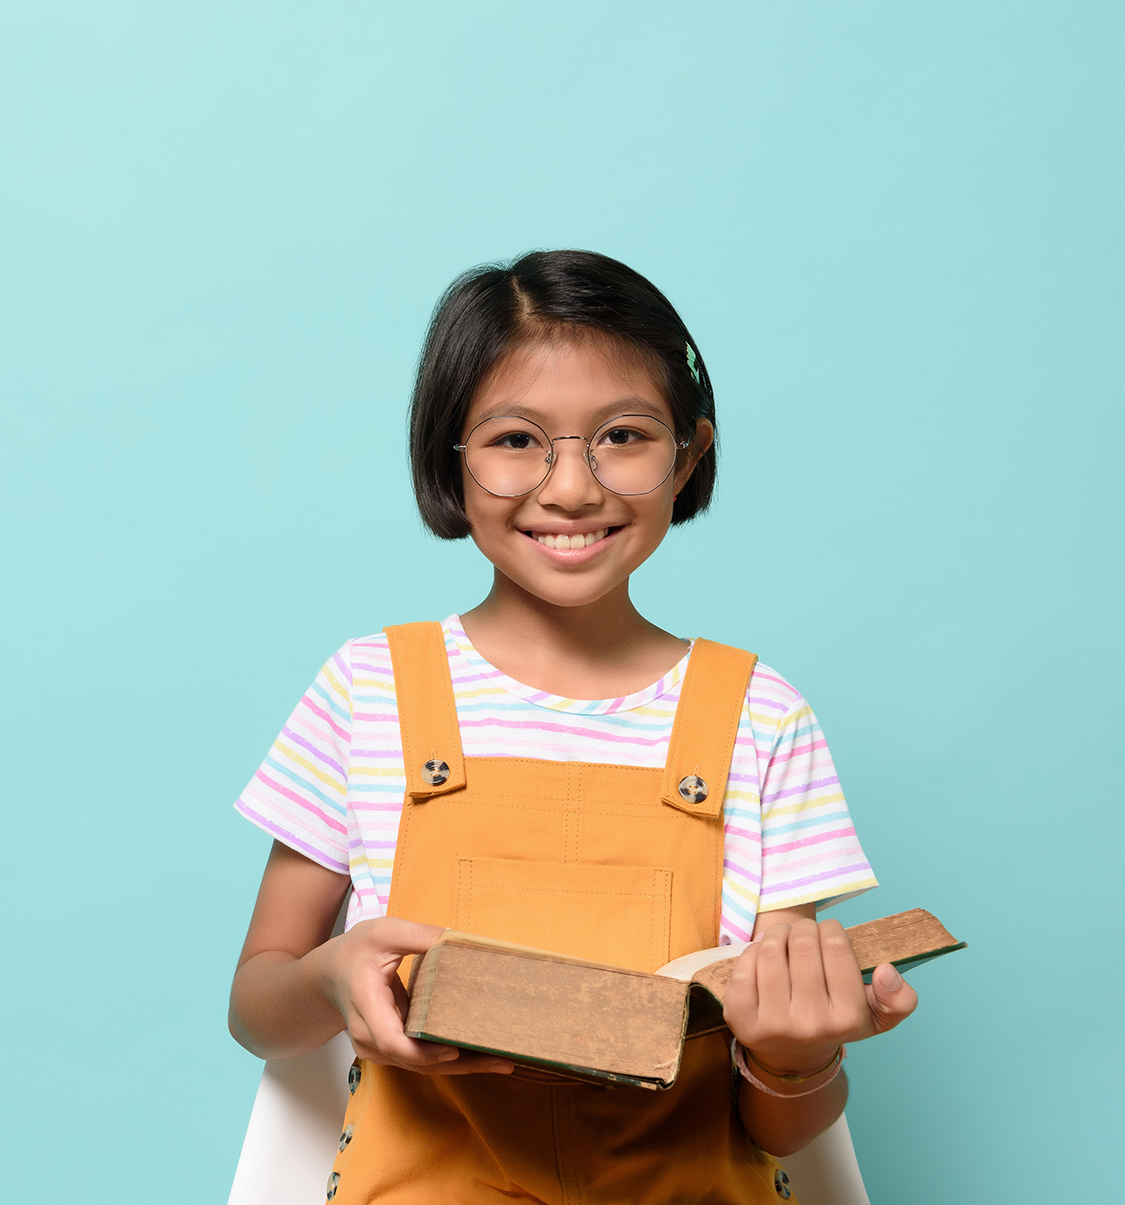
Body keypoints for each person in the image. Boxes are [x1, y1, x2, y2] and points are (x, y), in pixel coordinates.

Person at [226, 250, 920, 1204]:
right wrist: (329, 981)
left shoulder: (759, 716)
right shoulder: (367, 690)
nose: (570, 489)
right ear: (447, 457)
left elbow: (780, 1128)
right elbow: (257, 1003)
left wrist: (796, 1057)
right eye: (515, 440)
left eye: (622, 436)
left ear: (690, 453)